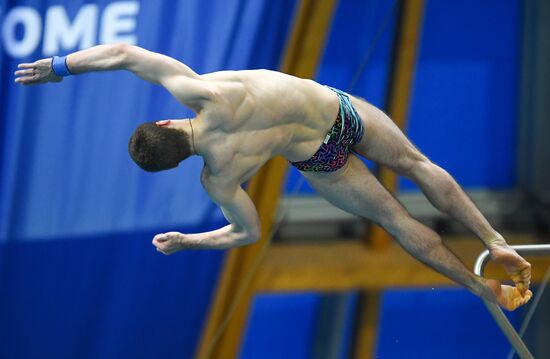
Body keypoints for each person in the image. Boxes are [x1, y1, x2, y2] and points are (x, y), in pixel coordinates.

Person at [15, 44, 532, 311]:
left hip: (317, 158)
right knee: (417, 165)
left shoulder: (217, 179)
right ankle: (495, 238)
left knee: (396, 223)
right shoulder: (200, 94)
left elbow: (247, 233)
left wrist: (188, 241)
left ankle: (479, 287)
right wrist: (60, 66)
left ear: (177, 163)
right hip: (334, 112)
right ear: (168, 122)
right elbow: (126, 56)